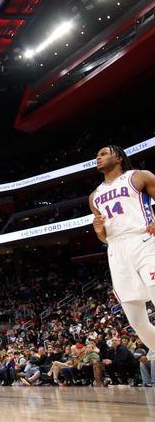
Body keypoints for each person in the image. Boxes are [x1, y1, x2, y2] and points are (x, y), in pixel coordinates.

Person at [90, 146, 155, 351]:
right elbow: (104, 237)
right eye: (97, 155)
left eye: (103, 153)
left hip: (144, 240)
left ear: (118, 158)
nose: (98, 157)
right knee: (137, 321)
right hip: (116, 250)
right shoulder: (94, 195)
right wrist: (98, 230)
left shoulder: (138, 177)